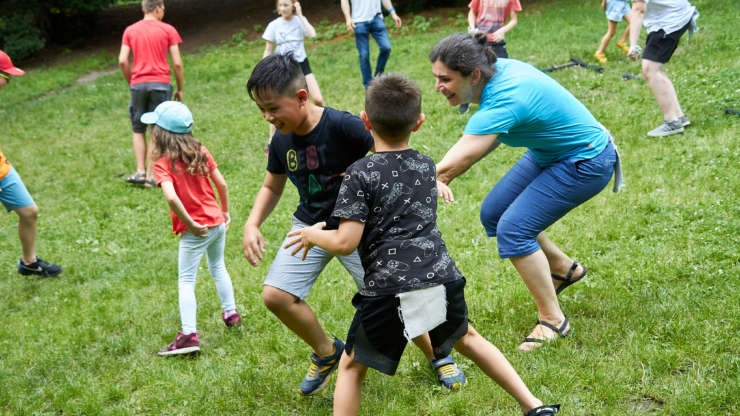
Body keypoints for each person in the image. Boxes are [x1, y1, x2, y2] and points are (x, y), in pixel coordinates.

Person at [284, 74, 561, 416]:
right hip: (439, 275)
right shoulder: (426, 165)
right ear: (419, 122)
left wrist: (312, 234)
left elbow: (344, 242)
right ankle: (533, 405)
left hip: (388, 285)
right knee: (469, 339)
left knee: (352, 367)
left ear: (365, 120)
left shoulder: (358, 172)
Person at [243, 54, 465, 395]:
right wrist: (252, 223)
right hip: (310, 228)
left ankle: (438, 354)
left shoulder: (342, 126)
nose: (268, 117)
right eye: (261, 110)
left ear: (301, 97)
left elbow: (393, 156)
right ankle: (326, 351)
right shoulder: (281, 140)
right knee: (275, 295)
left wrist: (426, 181)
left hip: (359, 228)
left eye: (272, 108)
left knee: (400, 293)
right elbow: (272, 185)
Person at [430, 33, 621, 351]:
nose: (438, 87)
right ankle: (563, 269)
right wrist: (440, 176)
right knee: (493, 214)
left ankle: (553, 320)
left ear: (474, 75)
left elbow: (456, 161)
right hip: (551, 152)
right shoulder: (495, 70)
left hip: (586, 160)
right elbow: (468, 154)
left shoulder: (506, 97)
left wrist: (402, 183)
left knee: (514, 229)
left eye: (445, 79)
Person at [143, 101, 241, 356]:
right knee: (218, 267)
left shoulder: (163, 163)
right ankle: (231, 314)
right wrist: (225, 212)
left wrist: (190, 225)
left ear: (160, 133)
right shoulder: (200, 150)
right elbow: (222, 184)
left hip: (196, 229)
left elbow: (172, 198)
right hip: (217, 222)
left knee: (186, 280)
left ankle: (188, 335)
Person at [0, 50, 62, 278]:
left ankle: (29, 262)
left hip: (2, 168)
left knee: (29, 212)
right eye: (6, 76)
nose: (8, 82)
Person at [118, 0, 184, 187]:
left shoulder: (130, 30)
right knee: (157, 127)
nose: (164, 12)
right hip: (161, 84)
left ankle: (140, 171)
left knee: (138, 128)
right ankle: (152, 175)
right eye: (163, 9)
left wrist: (132, 81)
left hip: (138, 84)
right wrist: (180, 88)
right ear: (157, 9)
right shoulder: (168, 30)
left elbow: (122, 60)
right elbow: (177, 63)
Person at [627, 0, 698, 137]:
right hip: (677, 15)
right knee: (655, 69)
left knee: (650, 69)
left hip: (669, 21)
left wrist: (633, 45)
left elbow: (638, 10)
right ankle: (678, 116)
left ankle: (672, 122)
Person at [262, 0, 324, 153]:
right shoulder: (274, 25)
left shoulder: (299, 21)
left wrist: (301, 15)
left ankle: (321, 129)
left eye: (286, 5)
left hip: (301, 65)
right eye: (281, 5)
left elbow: (312, 34)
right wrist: (264, 70)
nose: (283, 8)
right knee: (276, 105)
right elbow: (268, 50)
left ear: (294, 6)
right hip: (283, 69)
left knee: (318, 99)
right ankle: (271, 141)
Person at [461, 0, 522, 114]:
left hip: (496, 40)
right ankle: (465, 100)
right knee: (471, 69)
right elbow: (471, 12)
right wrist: (473, 28)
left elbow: (514, 20)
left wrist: (502, 31)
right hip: (479, 38)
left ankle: (504, 101)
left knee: (503, 71)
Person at [340, 0, 402, 88]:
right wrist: (348, 18)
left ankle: (378, 78)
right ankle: (368, 87)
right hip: (359, 22)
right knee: (364, 56)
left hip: (376, 18)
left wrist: (393, 13)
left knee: (386, 48)